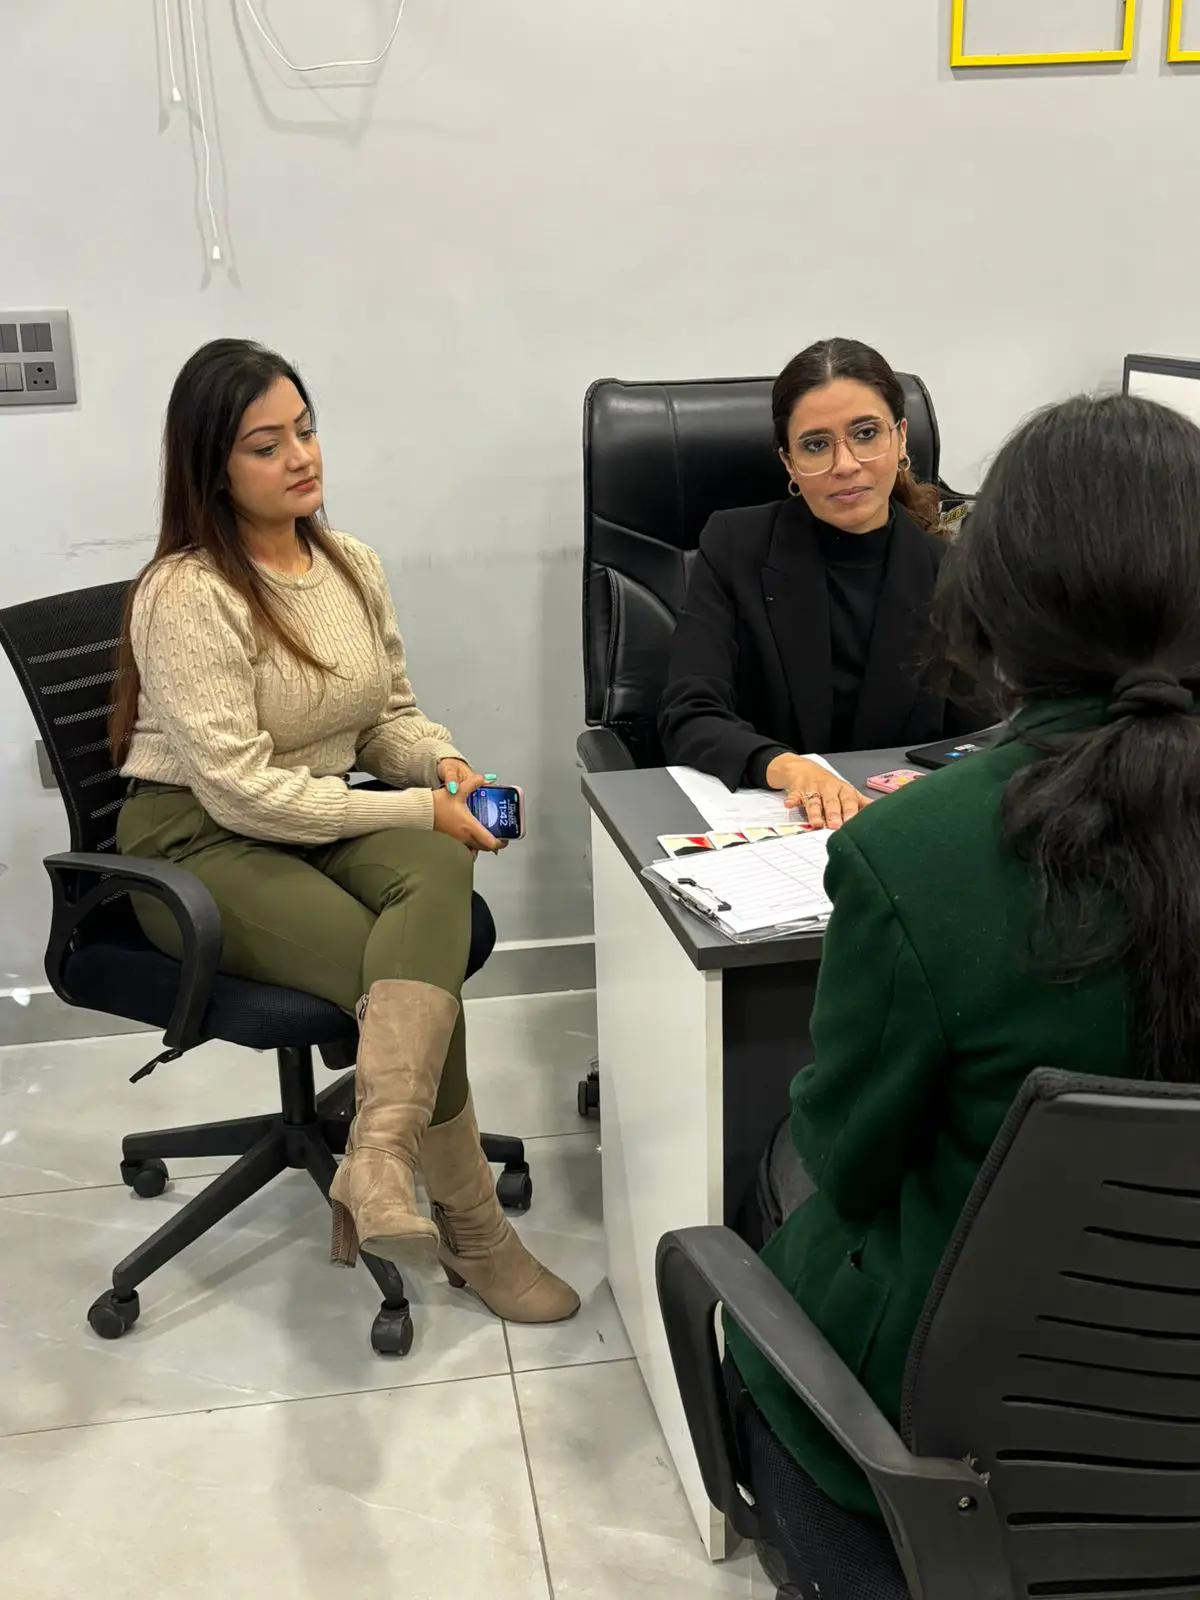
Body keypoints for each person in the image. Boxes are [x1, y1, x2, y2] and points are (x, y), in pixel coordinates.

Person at [724, 391, 1200, 1542]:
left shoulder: (915, 854)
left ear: (992, 602)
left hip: (957, 1450)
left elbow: (850, 1158)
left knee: (774, 1187)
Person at [111, 337, 578, 1325]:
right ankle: (477, 1237)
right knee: (406, 960)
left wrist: (442, 768)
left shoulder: (349, 563)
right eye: (266, 445)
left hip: (308, 813)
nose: (301, 457)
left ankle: (376, 1158)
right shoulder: (188, 593)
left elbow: (384, 720)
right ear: (213, 468)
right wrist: (414, 808)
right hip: (198, 840)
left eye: (307, 430)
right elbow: (240, 795)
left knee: (437, 865)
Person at [658, 338, 984, 829]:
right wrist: (786, 767)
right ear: (789, 463)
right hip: (774, 820)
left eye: (866, 434)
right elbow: (689, 711)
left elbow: (977, 742)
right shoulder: (734, 547)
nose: (845, 464)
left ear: (901, 439)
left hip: (898, 824)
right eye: (815, 445)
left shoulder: (951, 572)